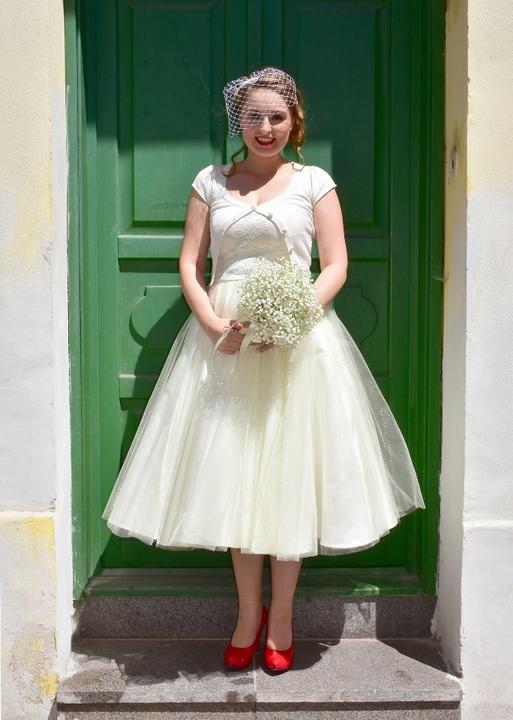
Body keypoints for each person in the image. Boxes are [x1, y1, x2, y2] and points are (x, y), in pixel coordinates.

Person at [102, 66, 426, 674]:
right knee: (233, 475)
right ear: (239, 121)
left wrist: (293, 318)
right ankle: (247, 613)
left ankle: (282, 617)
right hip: (223, 344)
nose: (266, 127)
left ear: (294, 122)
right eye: (254, 116)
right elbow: (190, 264)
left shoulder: (314, 183)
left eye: (277, 116)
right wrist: (211, 325)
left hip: (298, 344)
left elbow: (335, 265)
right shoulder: (210, 182)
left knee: (288, 476)